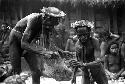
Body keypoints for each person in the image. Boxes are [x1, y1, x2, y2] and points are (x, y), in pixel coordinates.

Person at [8, 7, 66, 76]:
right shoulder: (34, 19)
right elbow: (23, 44)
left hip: (29, 43)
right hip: (16, 41)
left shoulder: (48, 24)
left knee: (36, 71)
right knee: (16, 71)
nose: (57, 22)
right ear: (47, 18)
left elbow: (48, 43)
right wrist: (44, 52)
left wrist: (59, 51)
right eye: (56, 19)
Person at [70, 20, 108, 84]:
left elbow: (98, 61)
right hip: (86, 73)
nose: (82, 37)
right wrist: (73, 76)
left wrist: (84, 64)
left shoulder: (94, 41)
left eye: (85, 35)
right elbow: (77, 62)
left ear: (89, 33)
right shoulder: (77, 44)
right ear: (77, 34)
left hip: (98, 71)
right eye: (80, 35)